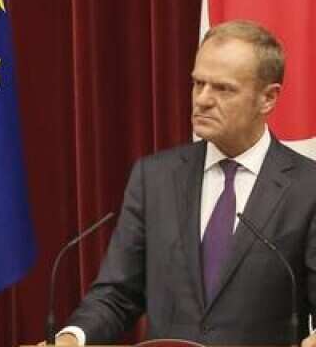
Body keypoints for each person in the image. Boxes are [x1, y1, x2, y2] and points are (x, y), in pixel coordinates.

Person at [56, 20, 316, 346]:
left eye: (223, 89)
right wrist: (71, 339)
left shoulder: (308, 189)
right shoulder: (155, 178)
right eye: (198, 84)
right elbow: (117, 294)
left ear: (268, 98)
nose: (202, 99)